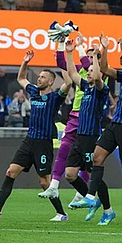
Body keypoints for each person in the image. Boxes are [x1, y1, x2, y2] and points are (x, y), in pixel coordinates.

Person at [71, 35, 122, 222]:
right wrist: (105, 49)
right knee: (97, 158)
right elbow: (105, 68)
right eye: (121, 62)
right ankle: (91, 196)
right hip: (114, 124)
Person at [0, 50, 72, 221]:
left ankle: (61, 213)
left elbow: (68, 83)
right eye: (39, 77)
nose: (39, 79)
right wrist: (25, 62)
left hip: (43, 143)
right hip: (29, 141)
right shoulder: (34, 92)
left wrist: (62, 64)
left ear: (50, 81)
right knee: (11, 172)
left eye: (43, 77)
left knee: (44, 182)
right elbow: (21, 78)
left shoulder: (55, 97)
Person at [38, 23, 91, 209]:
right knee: (64, 148)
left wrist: (81, 46)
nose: (89, 58)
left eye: (94, 56)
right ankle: (54, 185)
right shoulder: (81, 70)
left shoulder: (100, 75)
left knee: (88, 160)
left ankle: (84, 194)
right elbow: (62, 64)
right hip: (76, 115)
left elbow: (86, 64)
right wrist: (63, 45)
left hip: (91, 119)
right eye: (89, 54)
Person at [61, 40, 112, 224]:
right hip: (79, 137)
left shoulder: (101, 90)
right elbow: (73, 73)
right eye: (88, 71)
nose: (88, 73)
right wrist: (69, 52)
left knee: (93, 175)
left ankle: (108, 211)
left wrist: (98, 55)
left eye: (91, 70)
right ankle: (93, 200)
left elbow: (98, 77)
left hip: (92, 138)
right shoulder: (85, 88)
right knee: (70, 174)